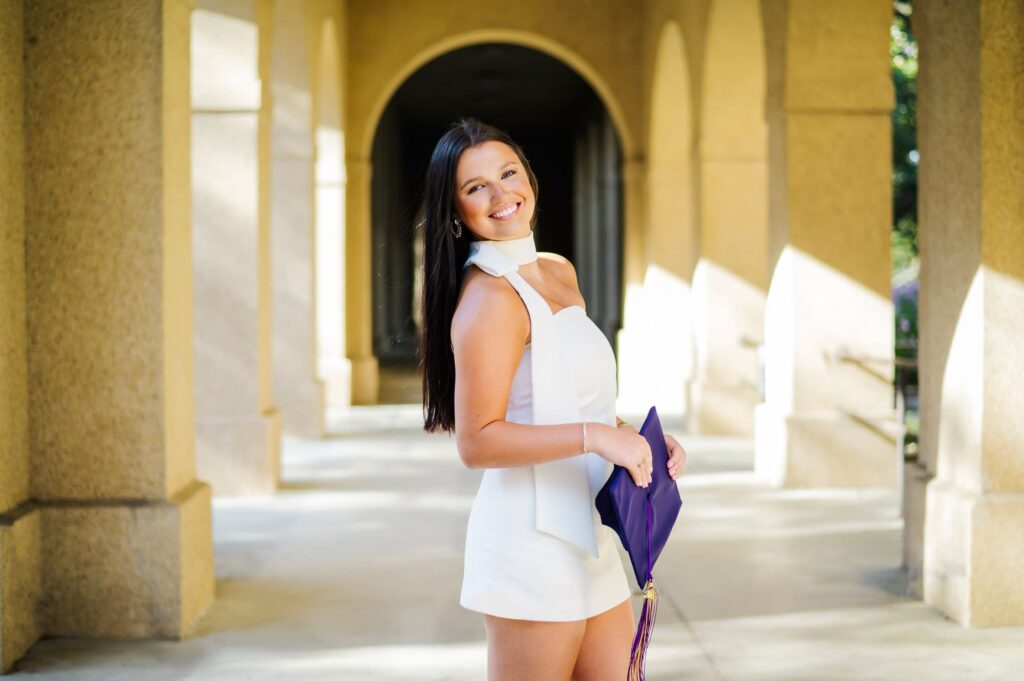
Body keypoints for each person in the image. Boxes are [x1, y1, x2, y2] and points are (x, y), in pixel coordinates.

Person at [420, 117, 688, 681]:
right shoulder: (489, 298)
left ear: (529, 177)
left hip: (589, 533)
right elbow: (477, 441)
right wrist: (597, 438)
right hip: (530, 543)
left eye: (508, 172)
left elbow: (574, 400)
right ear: (455, 211)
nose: (501, 194)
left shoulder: (557, 271)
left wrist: (638, 439)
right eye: (476, 187)